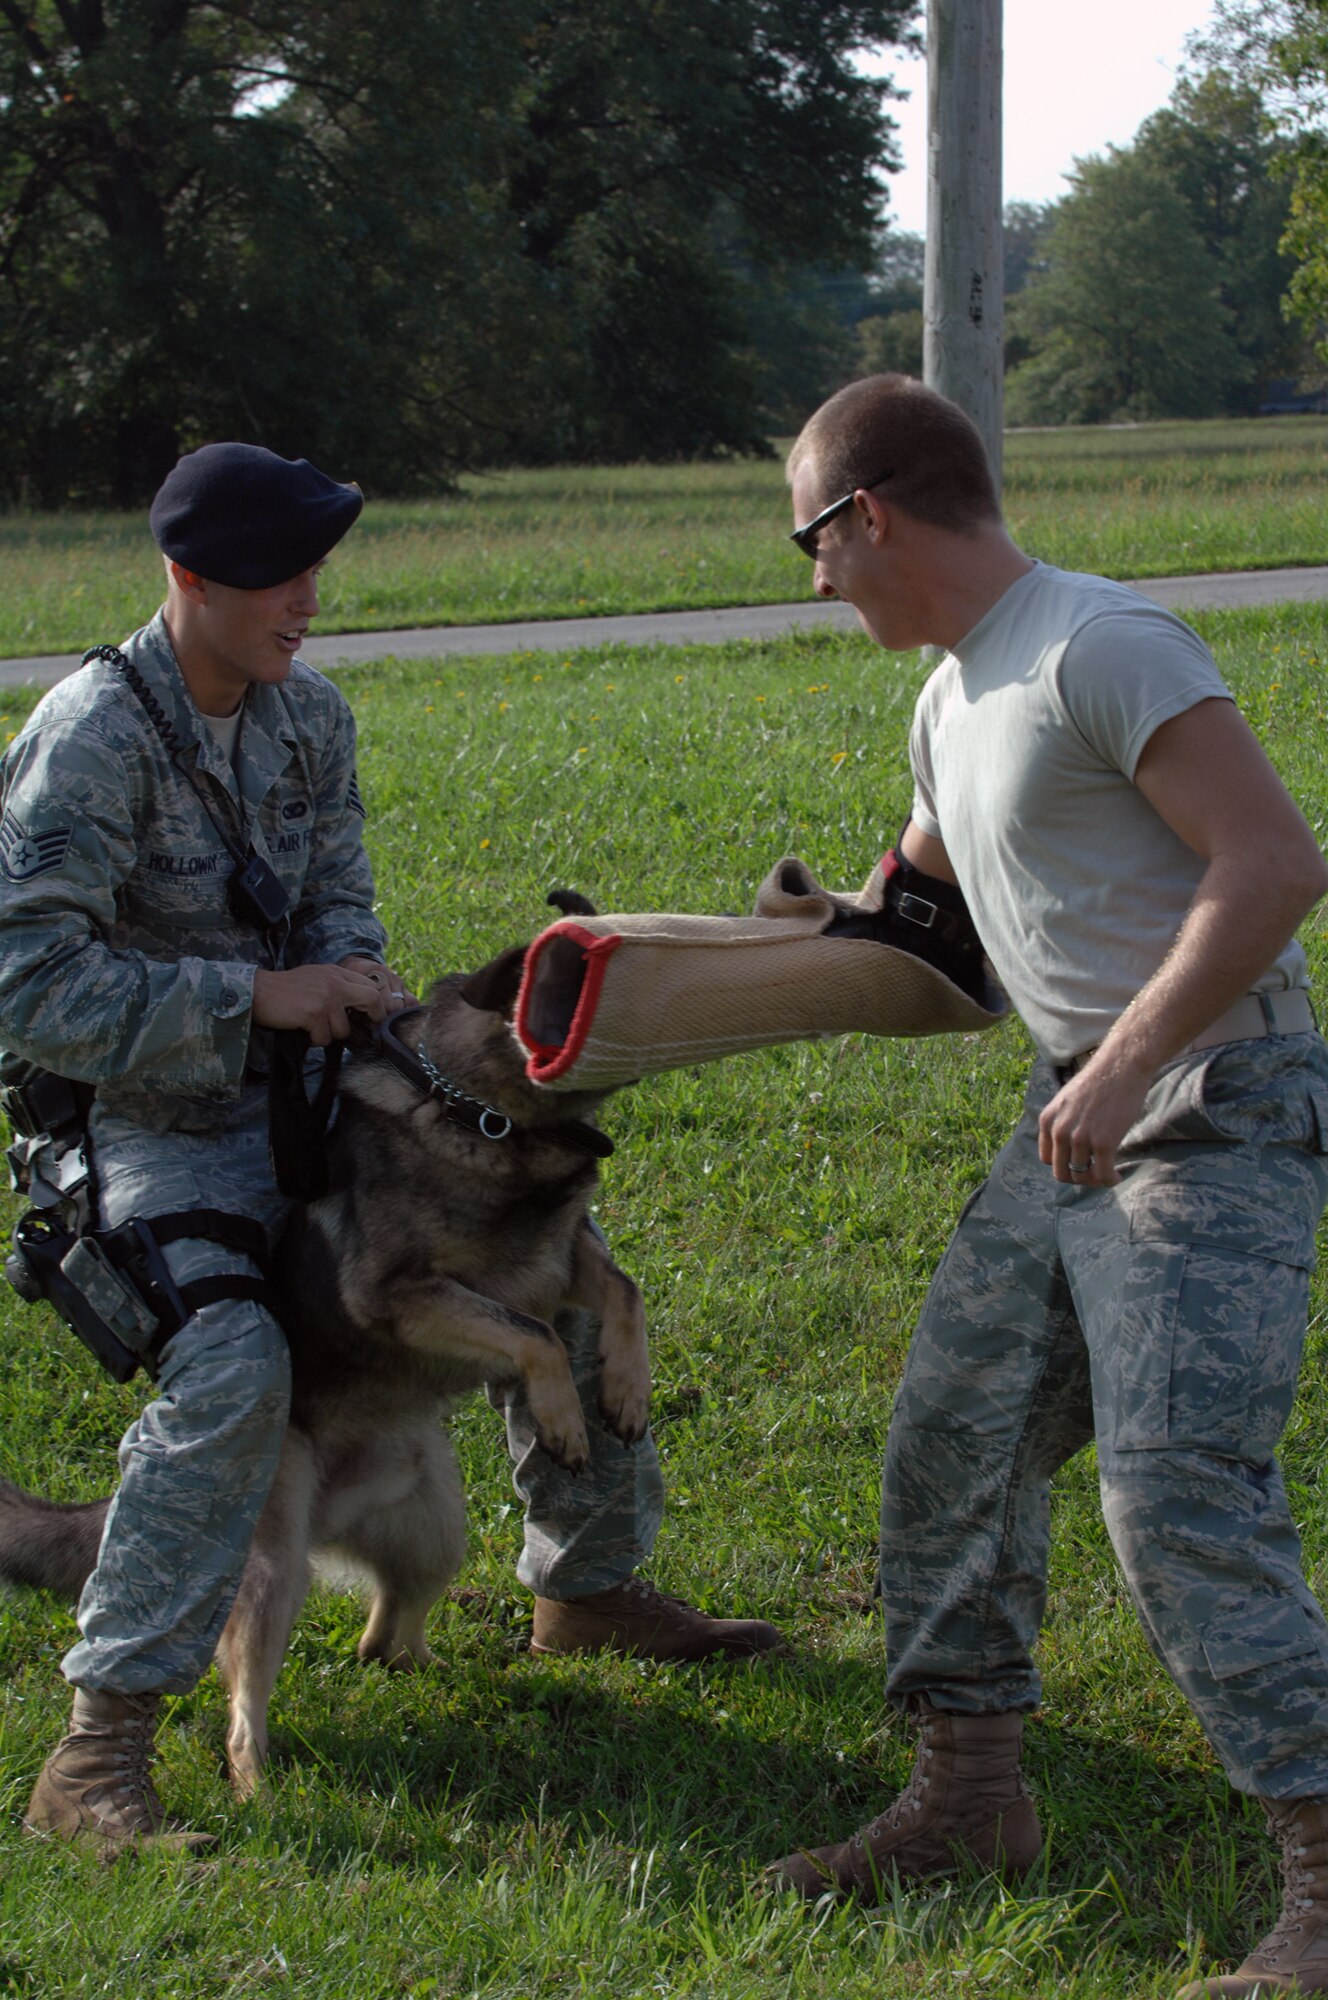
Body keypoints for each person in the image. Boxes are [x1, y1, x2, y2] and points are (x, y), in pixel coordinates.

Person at [0, 444, 777, 1857]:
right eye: (280, 577)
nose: (309, 600)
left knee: (557, 1258)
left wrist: (356, 983)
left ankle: (587, 1588)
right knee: (236, 1366)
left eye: (316, 571)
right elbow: (26, 988)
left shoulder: (310, 716)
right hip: (152, 1125)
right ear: (188, 579)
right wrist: (254, 998)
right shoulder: (90, 737)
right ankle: (96, 1752)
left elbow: (340, 901)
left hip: (319, 1088)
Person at [765, 374, 1328, 2000]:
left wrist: (1129, 1060)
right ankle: (969, 1803)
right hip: (1075, 1116)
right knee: (953, 1435)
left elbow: (1273, 864)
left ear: (869, 514)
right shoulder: (948, 697)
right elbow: (923, 918)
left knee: (1175, 1494)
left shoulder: (1100, 642)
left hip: (1213, 1108)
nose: (816, 581)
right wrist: (789, 933)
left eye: (812, 543)